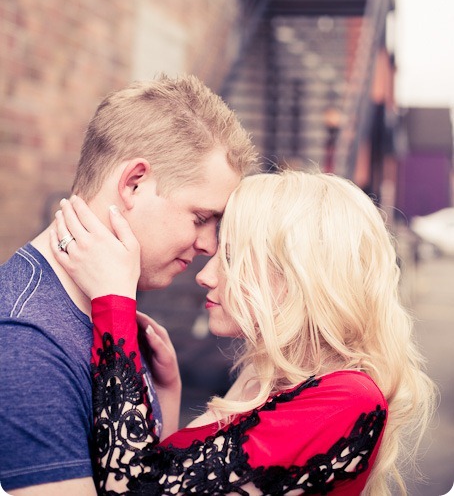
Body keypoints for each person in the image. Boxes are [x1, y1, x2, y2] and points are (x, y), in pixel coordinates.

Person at [52, 169, 436, 495]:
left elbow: (132, 488)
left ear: (298, 276)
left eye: (232, 258)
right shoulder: (264, 375)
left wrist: (114, 300)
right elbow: (167, 474)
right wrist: (170, 393)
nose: (205, 275)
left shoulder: (347, 400)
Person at [0, 75, 257, 495]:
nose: (210, 244)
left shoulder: (110, 311)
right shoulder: (27, 341)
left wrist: (166, 397)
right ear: (133, 183)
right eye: (200, 218)